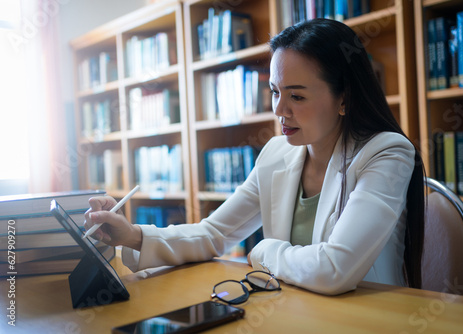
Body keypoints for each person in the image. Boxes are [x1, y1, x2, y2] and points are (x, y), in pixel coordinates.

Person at [84, 18, 425, 296]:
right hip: (297, 311)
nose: (279, 110)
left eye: (297, 96)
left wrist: (264, 252)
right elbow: (213, 234)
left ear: (343, 99)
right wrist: (132, 235)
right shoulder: (277, 153)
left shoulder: (386, 153)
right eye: (275, 92)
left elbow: (335, 270)